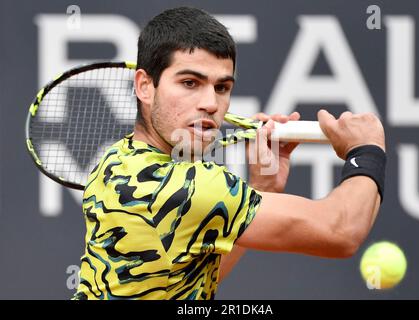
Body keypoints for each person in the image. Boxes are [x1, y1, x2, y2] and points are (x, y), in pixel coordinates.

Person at [73, 7, 386, 300]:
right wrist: (366, 149)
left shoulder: (116, 160)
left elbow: (186, 276)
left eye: (222, 87)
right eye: (190, 82)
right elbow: (341, 231)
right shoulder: (190, 186)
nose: (210, 102)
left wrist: (262, 188)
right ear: (145, 86)